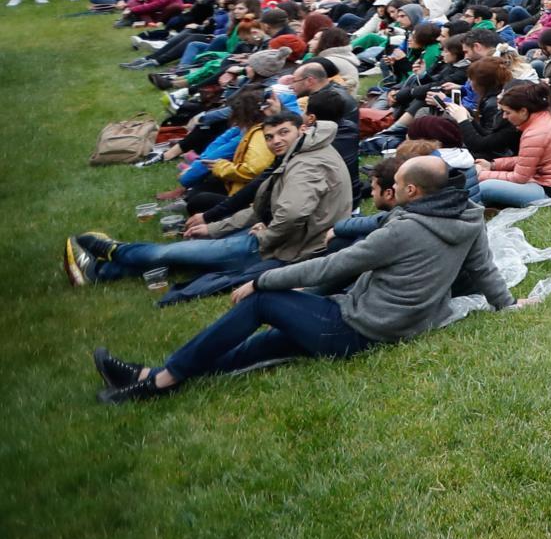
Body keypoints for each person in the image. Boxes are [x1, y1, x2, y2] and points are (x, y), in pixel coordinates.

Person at [91, 155, 522, 402]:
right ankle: (155, 375)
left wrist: (261, 283)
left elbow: (333, 267)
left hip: (362, 329)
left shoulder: (403, 228)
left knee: (262, 304)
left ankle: (158, 383)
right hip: (395, 322)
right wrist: (509, 305)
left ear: (411, 192)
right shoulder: (465, 215)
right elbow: (484, 268)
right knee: (255, 348)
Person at [68, 109, 349, 290]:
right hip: (289, 239)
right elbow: (263, 206)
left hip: (285, 248)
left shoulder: (306, 163)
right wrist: (214, 227)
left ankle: (111, 250)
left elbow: (290, 214)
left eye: (283, 132)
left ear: (301, 129)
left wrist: (265, 237)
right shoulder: (304, 152)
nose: (275, 140)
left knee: (173, 253)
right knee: (191, 255)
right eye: (270, 136)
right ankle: (104, 273)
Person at [475, 81, 551, 207]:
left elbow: (519, 178)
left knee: (485, 187)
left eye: (508, 112)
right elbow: (527, 160)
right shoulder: (547, 118)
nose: (504, 116)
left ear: (523, 111)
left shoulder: (535, 133)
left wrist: (482, 174)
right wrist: (493, 165)